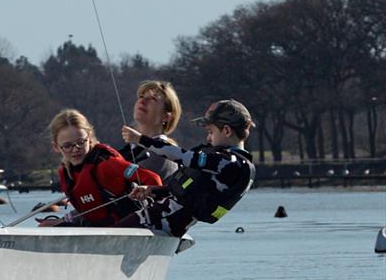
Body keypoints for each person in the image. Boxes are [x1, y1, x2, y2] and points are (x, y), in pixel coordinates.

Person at [121, 99, 256, 239]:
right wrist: (153, 190)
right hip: (166, 220)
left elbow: (183, 156)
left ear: (227, 131)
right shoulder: (229, 163)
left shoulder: (227, 163)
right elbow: (195, 193)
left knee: (116, 229)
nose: (208, 138)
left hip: (159, 220)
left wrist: (140, 139)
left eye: (210, 131)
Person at [36, 109, 162, 227]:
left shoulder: (107, 164)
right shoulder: (66, 173)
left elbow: (153, 178)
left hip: (130, 229)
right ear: (56, 147)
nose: (75, 150)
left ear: (89, 138)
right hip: (97, 230)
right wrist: (61, 221)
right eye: (68, 146)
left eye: (80, 142)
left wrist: (148, 191)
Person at [127, 80, 182, 182]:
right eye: (141, 96)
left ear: (166, 116)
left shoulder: (165, 153)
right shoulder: (131, 148)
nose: (142, 101)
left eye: (153, 99)